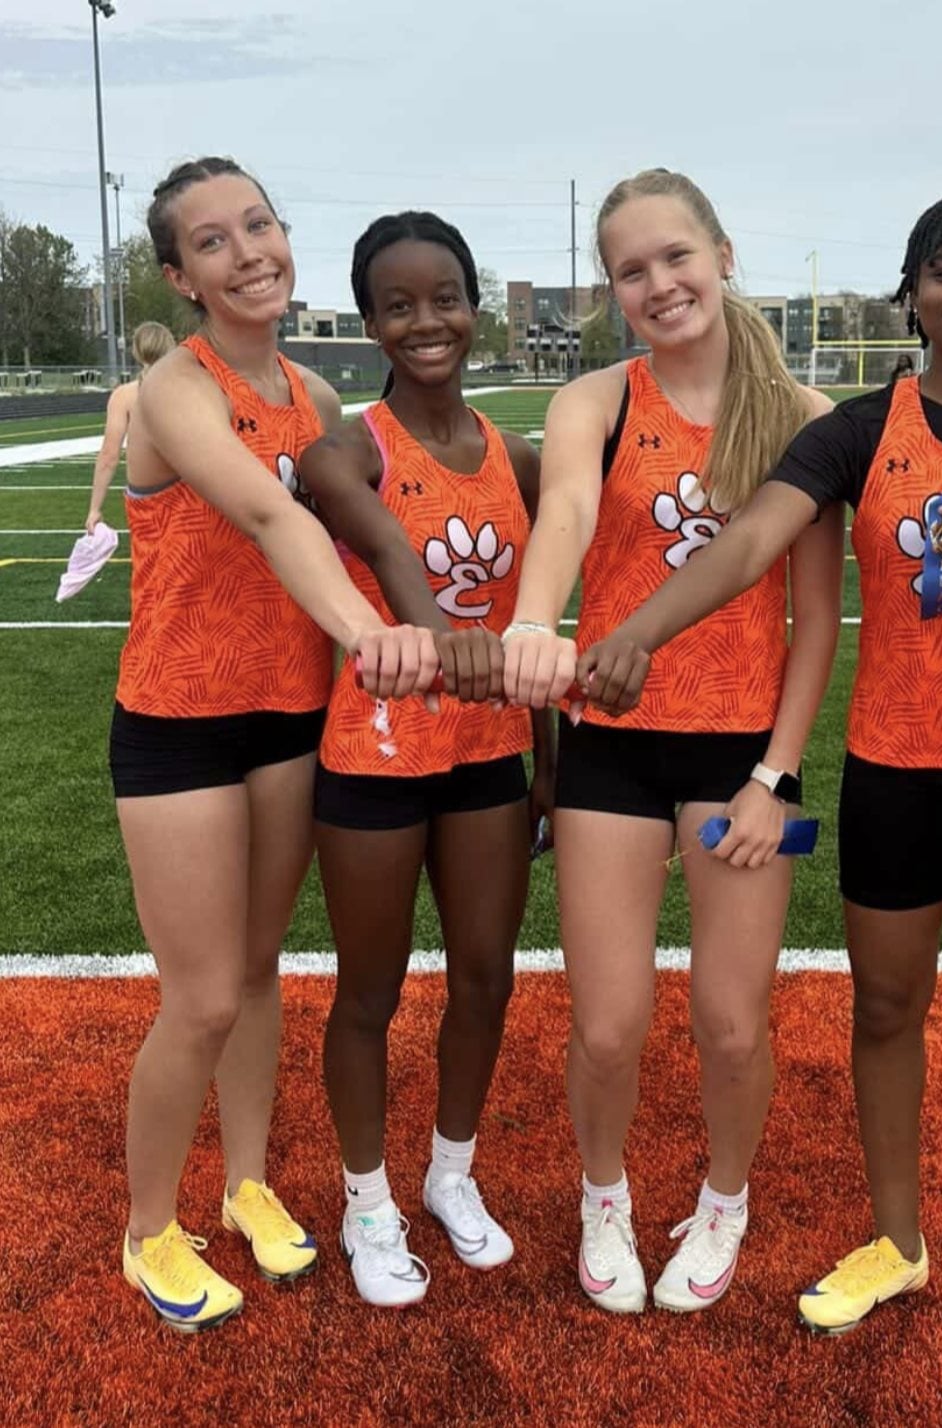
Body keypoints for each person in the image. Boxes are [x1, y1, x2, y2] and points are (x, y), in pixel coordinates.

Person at [577, 190, 942, 1401]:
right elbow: (744, 547)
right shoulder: (854, 430)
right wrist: (634, 635)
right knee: (884, 1012)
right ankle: (896, 1241)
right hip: (896, 767)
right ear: (912, 288)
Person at [502, 168, 843, 1315]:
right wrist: (532, 624)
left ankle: (722, 1201)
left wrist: (773, 777)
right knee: (606, 1027)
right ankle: (601, 1196)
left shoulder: (802, 421)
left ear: (723, 254)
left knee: (732, 1025)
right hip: (611, 749)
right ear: (611, 290)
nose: (658, 284)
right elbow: (562, 516)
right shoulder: (594, 402)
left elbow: (812, 621)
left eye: (675, 257)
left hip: (740, 758)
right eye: (630, 270)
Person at [114, 157, 438, 1332]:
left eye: (258, 224)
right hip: (178, 726)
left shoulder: (316, 395)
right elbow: (263, 511)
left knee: (259, 972)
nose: (248, 251)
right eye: (213, 241)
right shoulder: (173, 389)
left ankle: (246, 1182)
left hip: (288, 719)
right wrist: (371, 634)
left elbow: (370, 525)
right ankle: (149, 1230)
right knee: (201, 996)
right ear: (179, 277)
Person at [298, 212, 553, 1308]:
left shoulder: (518, 457)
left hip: (493, 749)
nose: (426, 321)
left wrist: (550, 759)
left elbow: (534, 614)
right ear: (370, 324)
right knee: (372, 989)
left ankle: (451, 1173)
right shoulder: (345, 451)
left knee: (486, 974)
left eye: (444, 297)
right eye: (397, 305)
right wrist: (441, 639)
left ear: (475, 305)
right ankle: (367, 1202)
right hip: (378, 749)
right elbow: (391, 549)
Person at [85, 322, 177, 534]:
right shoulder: (188, 389)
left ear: (136, 352)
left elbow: (109, 456)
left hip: (145, 494)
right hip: (184, 490)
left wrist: (95, 509)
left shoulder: (124, 396)